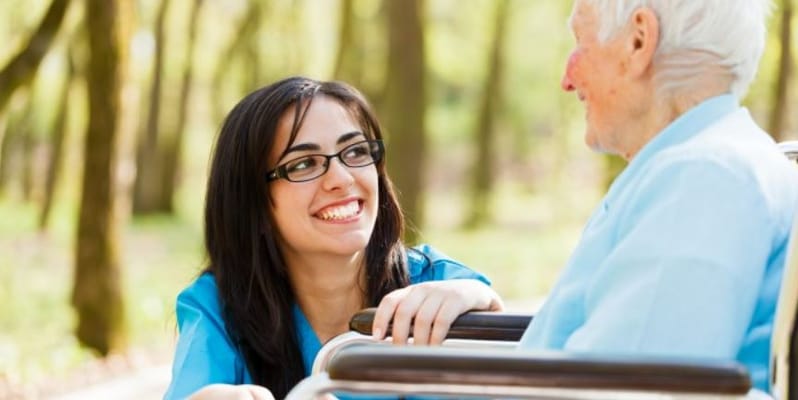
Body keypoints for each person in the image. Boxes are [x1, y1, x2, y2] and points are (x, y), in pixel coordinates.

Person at [516, 0, 798, 393]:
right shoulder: (701, 164)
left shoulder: (705, 179)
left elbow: (627, 388)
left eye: (581, 42)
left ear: (638, 41)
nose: (567, 78)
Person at [164, 77, 503, 400]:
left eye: (355, 152)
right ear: (254, 203)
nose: (341, 178)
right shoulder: (219, 308)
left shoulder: (435, 281)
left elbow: (514, 362)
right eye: (303, 164)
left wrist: (480, 299)